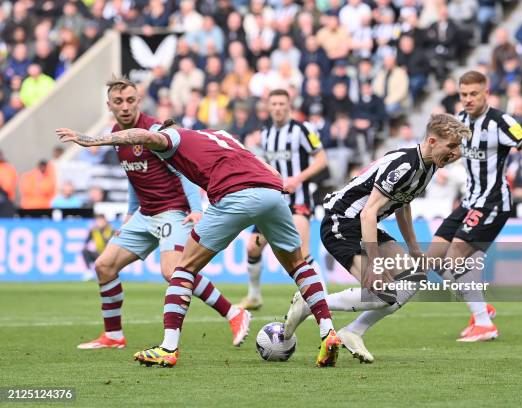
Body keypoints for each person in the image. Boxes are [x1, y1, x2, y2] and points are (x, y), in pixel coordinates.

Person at [56, 121, 340, 368]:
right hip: (272, 193)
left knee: (183, 268)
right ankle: (328, 332)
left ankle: (167, 348)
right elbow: (270, 172)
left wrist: (92, 140)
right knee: (299, 265)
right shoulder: (222, 134)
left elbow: (146, 137)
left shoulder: (172, 138)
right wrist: (268, 219)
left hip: (233, 195)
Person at [342, 71, 522, 360]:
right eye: (463, 94)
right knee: (430, 261)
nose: (468, 99)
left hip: (492, 203)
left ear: (486, 92)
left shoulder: (500, 122)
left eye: (473, 94)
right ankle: (477, 306)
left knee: (454, 258)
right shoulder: (460, 123)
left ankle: (482, 321)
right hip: (467, 202)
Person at [76, 77, 250, 351]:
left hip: (172, 212)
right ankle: (113, 335)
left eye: (130, 100)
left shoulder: (154, 130)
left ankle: (234, 313)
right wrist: (129, 216)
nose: (125, 107)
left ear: (139, 101)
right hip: (145, 214)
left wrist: (195, 210)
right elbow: (135, 179)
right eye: (119, 102)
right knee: (103, 266)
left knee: (173, 271)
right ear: (109, 105)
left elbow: (183, 170)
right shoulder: (116, 135)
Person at [283, 113, 468, 362]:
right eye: (452, 146)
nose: (456, 153)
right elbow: (368, 213)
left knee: (414, 277)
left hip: (362, 225)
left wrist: (414, 250)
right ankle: (311, 302)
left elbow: (404, 204)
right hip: (342, 222)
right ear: (433, 141)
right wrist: (376, 263)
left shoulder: (429, 165)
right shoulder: (405, 164)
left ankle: (353, 331)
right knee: (382, 294)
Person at [238, 89, 328, 310]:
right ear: (268, 107)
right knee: (252, 249)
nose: (278, 108)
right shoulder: (266, 133)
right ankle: (254, 296)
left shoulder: (303, 129)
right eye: (274, 104)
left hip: (298, 201)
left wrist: (298, 178)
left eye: (281, 104)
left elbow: (322, 159)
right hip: (272, 203)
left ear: (289, 106)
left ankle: (324, 299)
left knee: (302, 252)